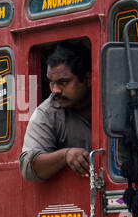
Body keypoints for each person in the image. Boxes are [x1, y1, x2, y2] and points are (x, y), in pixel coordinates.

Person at [19, 42, 92, 181]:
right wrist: (65, 155)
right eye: (51, 82)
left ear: (87, 79)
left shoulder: (112, 103)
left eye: (63, 82)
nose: (55, 90)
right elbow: (27, 167)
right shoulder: (47, 113)